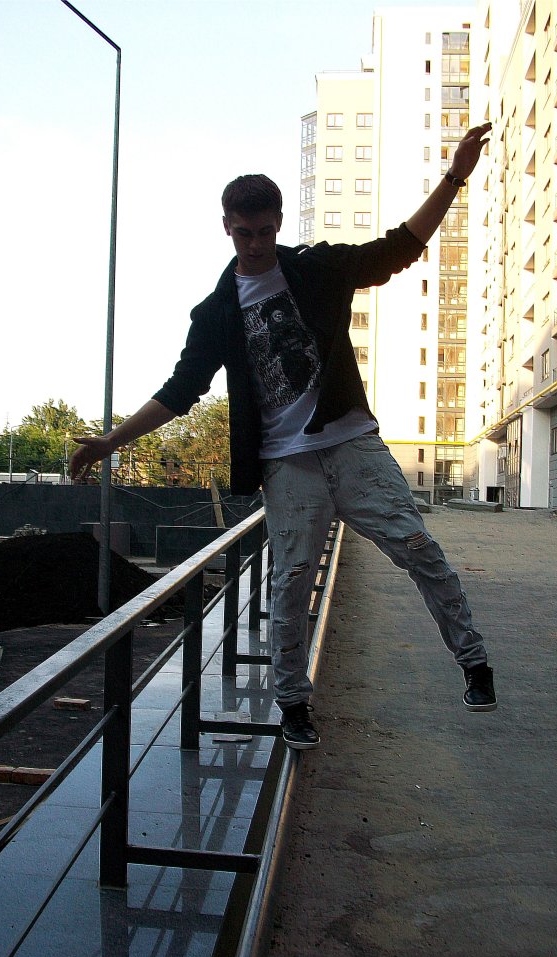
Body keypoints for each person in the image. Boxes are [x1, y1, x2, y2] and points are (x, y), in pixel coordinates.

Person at [70, 122, 497, 750]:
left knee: (418, 548)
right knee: (291, 580)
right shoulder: (216, 313)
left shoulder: (316, 268)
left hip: (351, 442)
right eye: (244, 233)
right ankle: (293, 704)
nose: (256, 244)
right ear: (226, 226)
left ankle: (474, 663)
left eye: (266, 232)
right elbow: (181, 389)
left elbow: (397, 249)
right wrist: (112, 442)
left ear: (278, 224)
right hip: (286, 464)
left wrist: (455, 176)